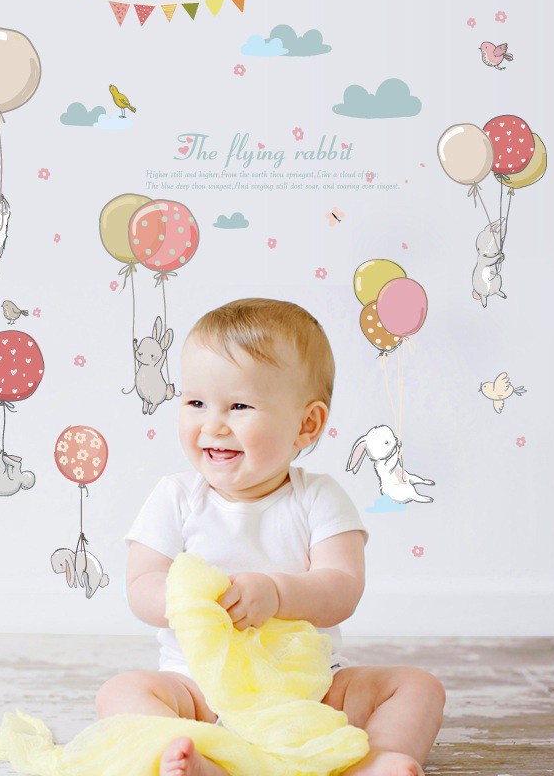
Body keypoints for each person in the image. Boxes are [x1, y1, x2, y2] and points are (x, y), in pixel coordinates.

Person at [96, 298, 445, 776]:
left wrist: (277, 594)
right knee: (119, 692)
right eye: (195, 403)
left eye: (239, 406)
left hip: (309, 691)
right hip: (201, 689)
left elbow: (342, 587)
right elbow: (141, 586)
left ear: (306, 424)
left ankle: (374, 760)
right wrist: (193, 602)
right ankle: (204, 757)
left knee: (418, 686)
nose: (212, 424)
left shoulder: (319, 498)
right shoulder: (175, 496)